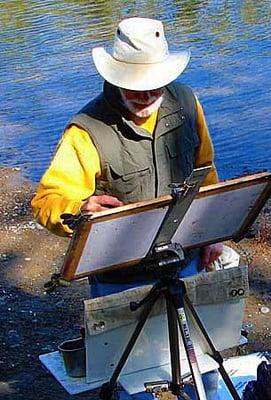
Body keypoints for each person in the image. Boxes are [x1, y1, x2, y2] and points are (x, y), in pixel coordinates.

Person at [31, 16, 225, 398]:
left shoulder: (187, 102)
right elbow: (47, 201)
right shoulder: (86, 130)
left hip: (185, 256)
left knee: (200, 364)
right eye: (135, 86)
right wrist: (79, 207)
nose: (146, 94)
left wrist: (213, 233)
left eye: (154, 85)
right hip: (120, 274)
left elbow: (206, 169)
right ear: (116, 76)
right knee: (127, 379)